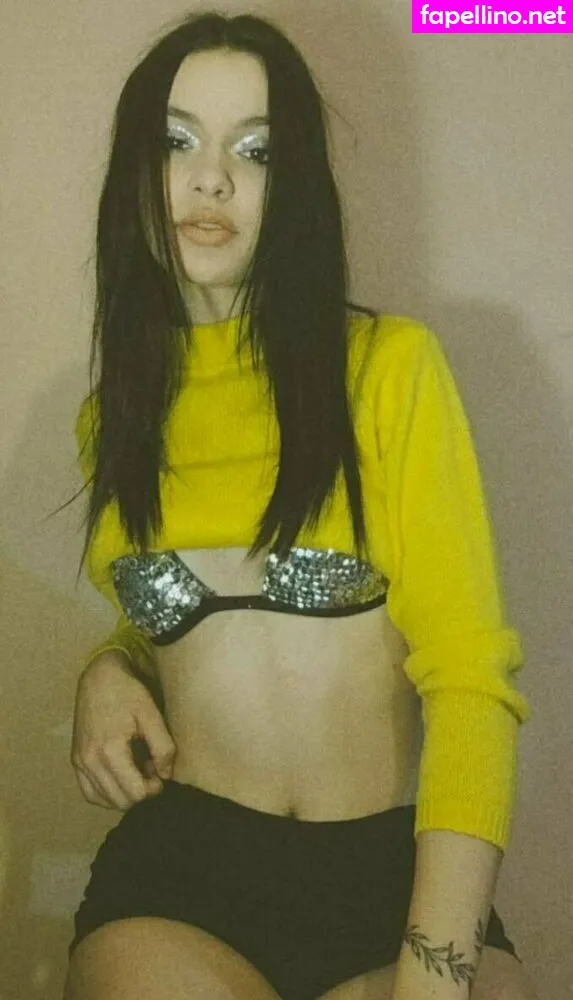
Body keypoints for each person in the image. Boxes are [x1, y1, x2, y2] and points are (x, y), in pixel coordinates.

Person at [59, 10, 536, 1000]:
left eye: (256, 150)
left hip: (386, 868)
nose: (211, 179)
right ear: (135, 172)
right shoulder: (115, 417)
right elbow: (169, 625)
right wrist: (107, 666)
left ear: (297, 184)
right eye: (177, 141)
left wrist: (434, 969)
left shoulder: (389, 369)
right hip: (183, 875)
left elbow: (469, 677)